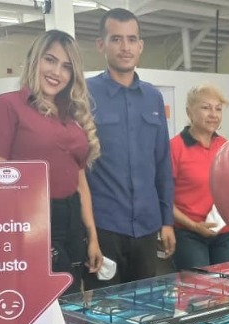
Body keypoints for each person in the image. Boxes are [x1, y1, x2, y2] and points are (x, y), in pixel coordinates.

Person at [0, 29, 103, 294]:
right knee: (42, 302)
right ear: (35, 59)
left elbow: (80, 180)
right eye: (50, 60)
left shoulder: (72, 116)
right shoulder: (7, 106)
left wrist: (92, 235)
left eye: (66, 67)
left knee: (71, 302)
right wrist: (17, 237)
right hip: (29, 221)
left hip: (72, 221)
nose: (57, 72)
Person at [85, 8, 175, 288]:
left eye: (131, 39)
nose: (125, 47)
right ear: (101, 44)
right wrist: (88, 233)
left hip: (148, 226)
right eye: (116, 39)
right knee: (106, 307)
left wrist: (167, 221)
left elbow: (162, 162)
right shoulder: (85, 94)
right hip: (105, 226)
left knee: (147, 304)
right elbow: (78, 167)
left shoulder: (153, 97)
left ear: (140, 46)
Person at [170, 84, 229, 271]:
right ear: (189, 112)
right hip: (189, 234)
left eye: (218, 109)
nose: (213, 114)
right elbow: (163, 199)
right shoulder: (175, 148)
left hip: (225, 233)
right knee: (199, 287)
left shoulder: (226, 146)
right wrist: (193, 225)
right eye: (206, 108)